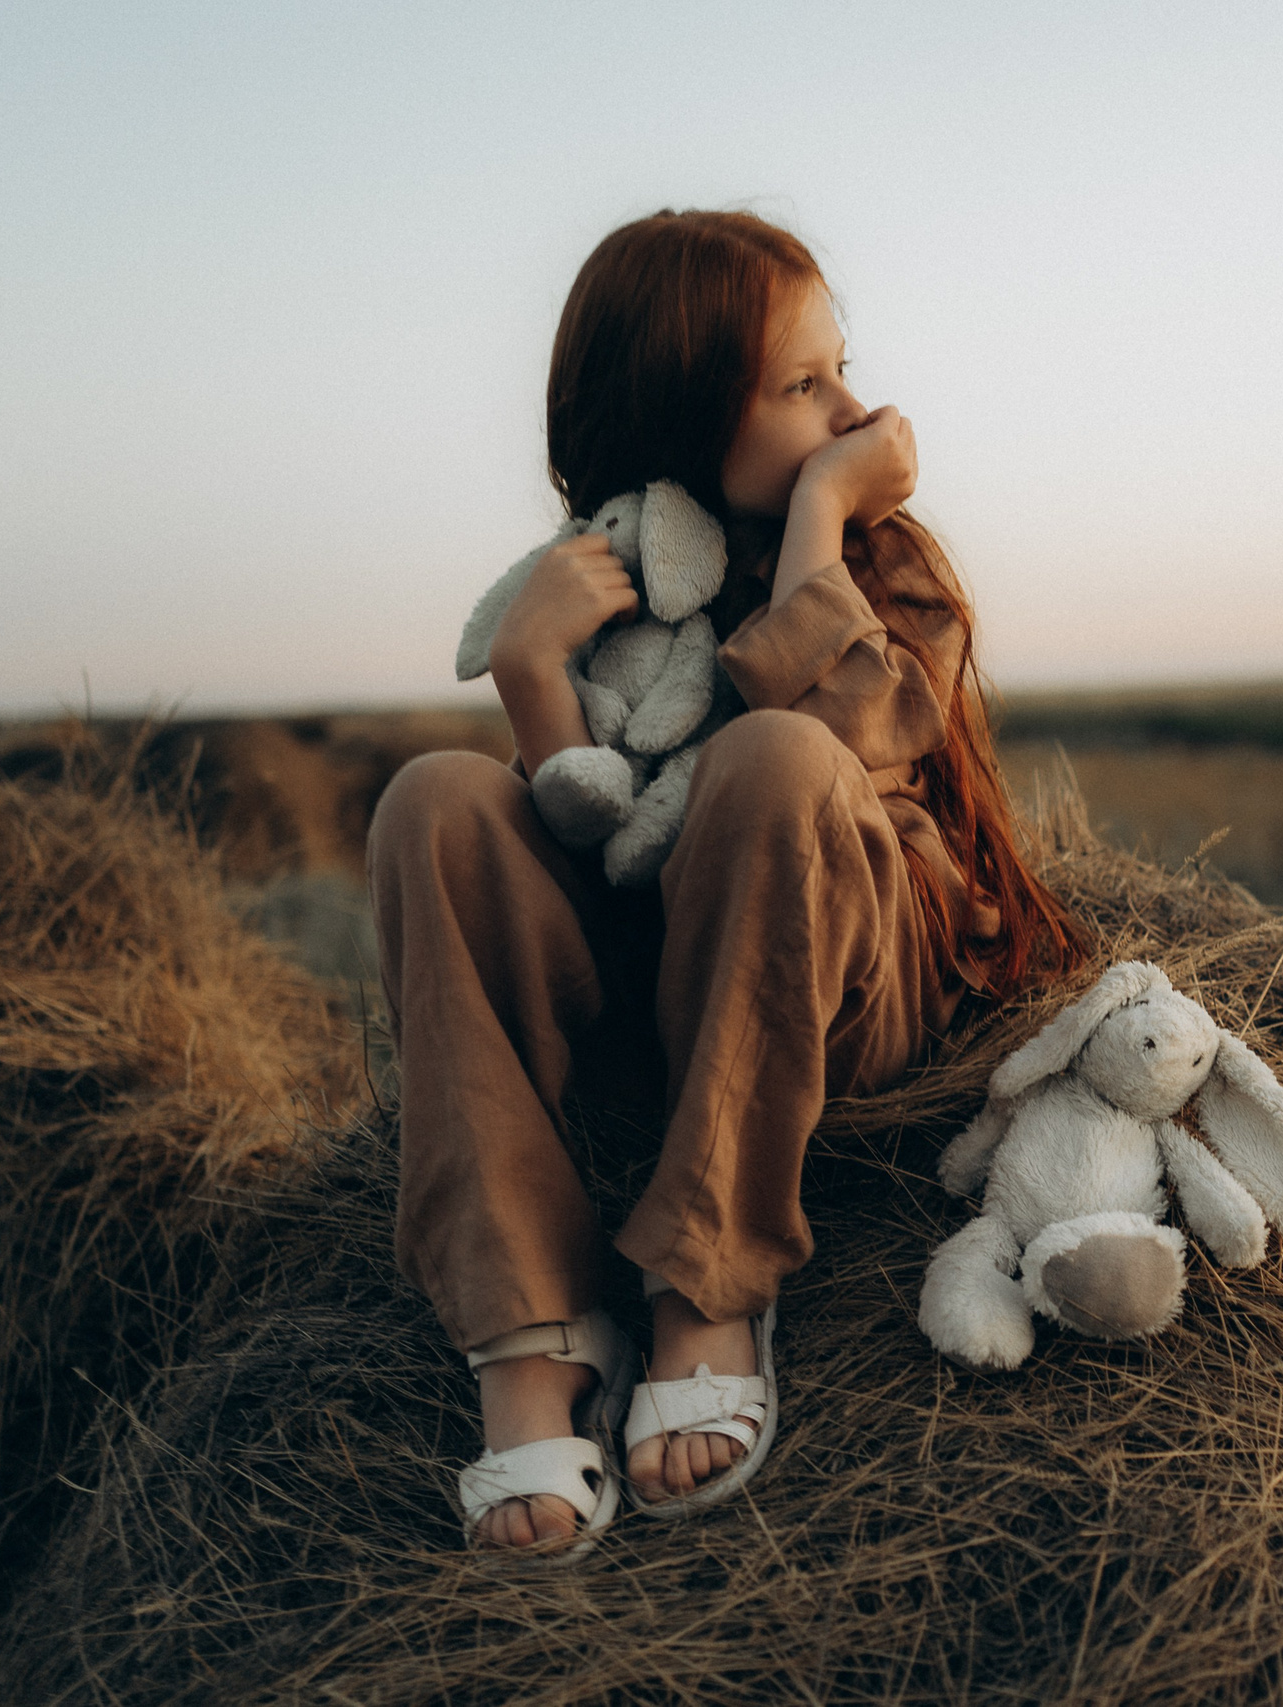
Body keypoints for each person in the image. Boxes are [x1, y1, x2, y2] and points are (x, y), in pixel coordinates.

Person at [366, 209, 1084, 1553]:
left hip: (845, 990)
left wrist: (819, 509)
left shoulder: (889, 566)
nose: (857, 410)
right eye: (805, 388)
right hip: (661, 995)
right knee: (436, 799)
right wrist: (531, 680)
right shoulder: (602, 585)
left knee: (770, 762)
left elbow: (835, 758)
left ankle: (708, 1280)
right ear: (682, 414)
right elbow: (588, 851)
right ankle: (533, 1323)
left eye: (844, 369)